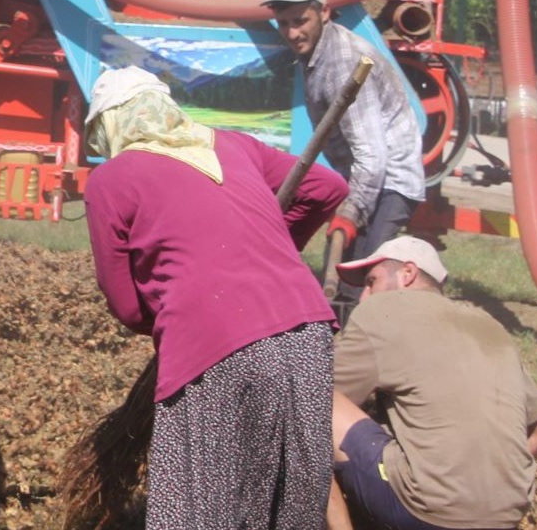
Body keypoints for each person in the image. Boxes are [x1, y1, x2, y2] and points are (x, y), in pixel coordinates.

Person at [82, 65, 349, 529]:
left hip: (214, 345)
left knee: (198, 508)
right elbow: (328, 188)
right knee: (293, 507)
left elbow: (125, 305)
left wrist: (179, 315)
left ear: (111, 126)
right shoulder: (233, 144)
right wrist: (272, 244)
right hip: (308, 333)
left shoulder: (111, 179)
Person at [328, 236, 537, 530]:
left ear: (407, 273)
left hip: (425, 510)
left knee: (314, 399)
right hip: (507, 514)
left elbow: (320, 402)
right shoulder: (489, 325)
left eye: (372, 281)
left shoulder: (380, 312)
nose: (364, 296)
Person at [262, 0, 426, 310]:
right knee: (343, 275)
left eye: (300, 21)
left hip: (389, 180)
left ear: (323, 12)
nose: (292, 33)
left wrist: (352, 211)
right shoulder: (315, 52)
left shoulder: (344, 60)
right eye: (284, 23)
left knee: (367, 282)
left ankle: (374, 346)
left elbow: (372, 153)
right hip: (364, 178)